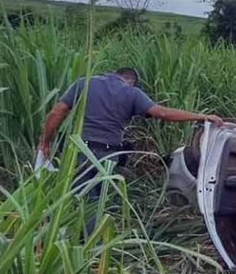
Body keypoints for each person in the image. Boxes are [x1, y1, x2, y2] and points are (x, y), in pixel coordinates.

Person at [38, 67, 224, 206]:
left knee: (82, 199)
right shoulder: (132, 93)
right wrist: (202, 116)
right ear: (131, 81)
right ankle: (92, 245)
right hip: (109, 157)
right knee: (94, 202)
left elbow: (57, 112)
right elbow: (163, 113)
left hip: (81, 151)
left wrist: (45, 142)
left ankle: (81, 246)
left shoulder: (84, 83)